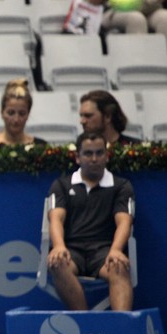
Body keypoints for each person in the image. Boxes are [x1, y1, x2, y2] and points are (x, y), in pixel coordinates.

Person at [46, 131, 134, 311]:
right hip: (72, 251)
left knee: (119, 267)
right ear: (77, 157)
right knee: (58, 263)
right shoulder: (62, 185)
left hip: (104, 252)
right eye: (88, 153)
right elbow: (56, 219)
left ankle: (122, 329)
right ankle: (85, 324)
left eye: (99, 153)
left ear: (106, 156)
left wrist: (116, 250)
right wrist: (59, 246)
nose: (94, 158)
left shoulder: (122, 186)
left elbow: (124, 222)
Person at [0, 79, 48, 145]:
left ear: (28, 114)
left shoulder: (41, 147)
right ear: (2, 112)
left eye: (22, 114)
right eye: (11, 113)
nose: (16, 119)